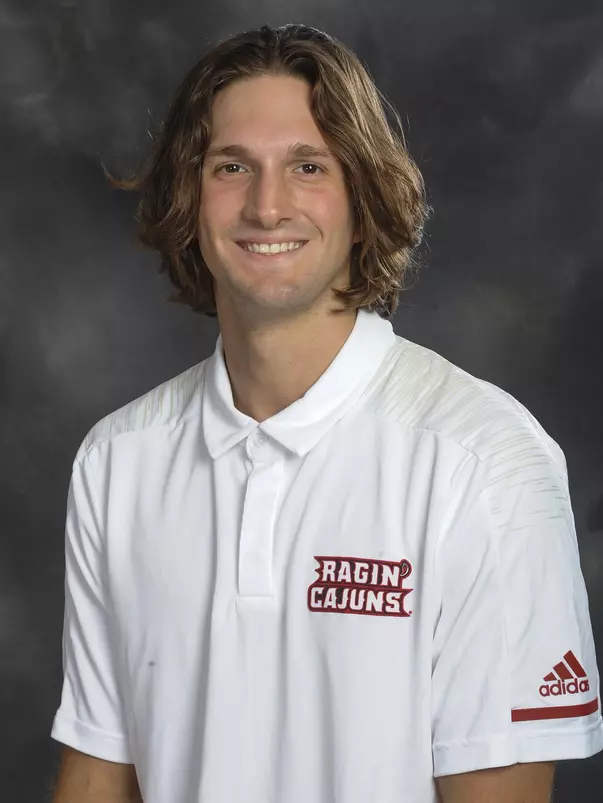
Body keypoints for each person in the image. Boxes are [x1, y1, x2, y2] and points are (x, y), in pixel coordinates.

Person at [49, 23, 602, 803]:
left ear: (361, 194)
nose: (266, 206)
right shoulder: (117, 460)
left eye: (307, 166)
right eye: (231, 166)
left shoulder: (485, 462)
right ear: (187, 193)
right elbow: (97, 774)